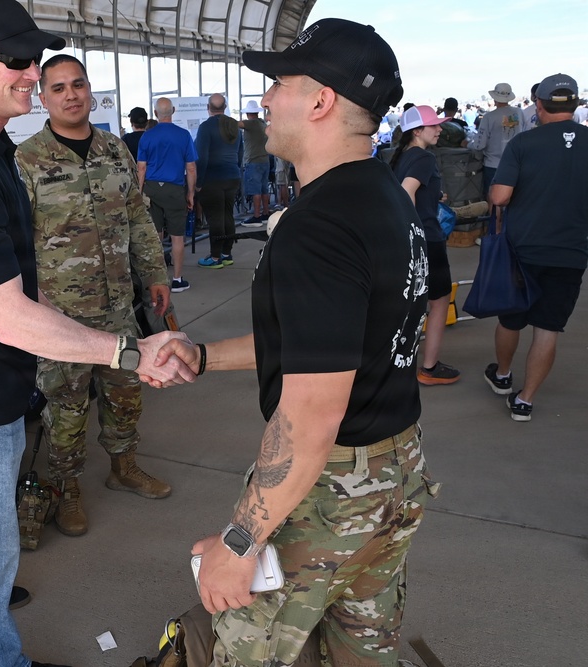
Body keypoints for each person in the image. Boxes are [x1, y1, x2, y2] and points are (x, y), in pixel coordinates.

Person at [0, 2, 193, 666]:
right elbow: (9, 315)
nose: (33, 74)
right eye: (20, 62)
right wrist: (127, 348)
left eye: (40, 61)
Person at [150, 18, 438, 665]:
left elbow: (311, 409)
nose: (265, 99)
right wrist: (203, 355)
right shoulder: (387, 199)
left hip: (329, 486)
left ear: (320, 101)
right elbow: (326, 340)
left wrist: (239, 540)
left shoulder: (320, 224)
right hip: (394, 473)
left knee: (243, 650)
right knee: (362, 648)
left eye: (278, 83)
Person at [15, 54, 173, 538]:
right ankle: (67, 490)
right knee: (66, 407)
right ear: (43, 98)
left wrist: (156, 275)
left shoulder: (115, 150)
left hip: (119, 307)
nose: (70, 94)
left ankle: (123, 467)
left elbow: (138, 217)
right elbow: (16, 241)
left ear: (90, 90)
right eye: (58, 87)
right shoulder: (27, 160)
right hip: (61, 317)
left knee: (125, 394)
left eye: (77, 84)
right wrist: (32, 300)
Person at [486, 73, 588, 422]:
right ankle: (525, 401)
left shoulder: (524, 144)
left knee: (512, 319)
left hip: (523, 248)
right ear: (575, 105)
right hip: (571, 251)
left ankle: (502, 375)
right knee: (548, 328)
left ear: (539, 105)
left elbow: (500, 196)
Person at [391, 105, 460, 385]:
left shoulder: (401, 156)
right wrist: (415, 230)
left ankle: (397, 361)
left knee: (407, 302)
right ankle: (429, 367)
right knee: (439, 300)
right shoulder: (424, 157)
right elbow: (407, 191)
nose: (440, 129)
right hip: (426, 240)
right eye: (435, 125)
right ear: (417, 131)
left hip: (404, 240)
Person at [137, 97, 198, 293]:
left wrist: (139, 193)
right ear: (173, 111)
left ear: (155, 114)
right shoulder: (183, 135)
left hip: (152, 189)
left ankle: (158, 279)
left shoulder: (147, 136)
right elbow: (191, 168)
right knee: (177, 237)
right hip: (174, 189)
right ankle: (177, 279)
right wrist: (190, 194)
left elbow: (141, 168)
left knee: (156, 236)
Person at [195, 93, 243, 269]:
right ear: (225, 106)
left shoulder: (206, 127)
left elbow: (202, 157)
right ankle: (227, 253)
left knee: (215, 218)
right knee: (228, 215)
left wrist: (198, 183)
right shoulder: (234, 125)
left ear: (208, 107)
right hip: (233, 176)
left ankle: (215, 258)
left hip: (212, 179)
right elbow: (240, 153)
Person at [472, 82, 528, 205]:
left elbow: (479, 144)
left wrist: (467, 144)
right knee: (515, 199)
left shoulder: (489, 117)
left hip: (493, 165)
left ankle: (494, 224)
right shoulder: (519, 113)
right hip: (516, 164)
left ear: (494, 98)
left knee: (493, 200)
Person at [239, 100, 270, 225]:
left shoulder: (250, 124)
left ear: (248, 114)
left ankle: (256, 216)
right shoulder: (262, 123)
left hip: (254, 161)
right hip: (264, 160)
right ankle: (265, 213)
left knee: (255, 190)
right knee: (264, 189)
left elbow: (235, 124)